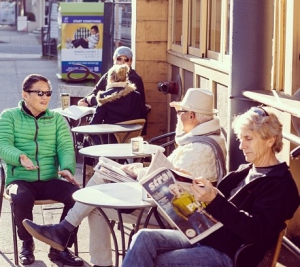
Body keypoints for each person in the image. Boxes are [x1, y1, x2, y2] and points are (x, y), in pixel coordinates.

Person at [22, 88, 227, 267]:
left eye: (181, 112)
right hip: (169, 207)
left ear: (191, 116)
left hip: (172, 215)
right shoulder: (206, 140)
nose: (178, 117)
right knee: (98, 196)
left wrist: (138, 172)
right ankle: (77, 241)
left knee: (100, 182)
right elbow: (174, 176)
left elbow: (168, 184)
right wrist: (138, 169)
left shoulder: (198, 148)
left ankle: (66, 231)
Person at [121, 106, 300, 267]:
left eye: (248, 139)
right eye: (240, 138)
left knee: (157, 261)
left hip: (229, 254)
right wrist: (188, 183)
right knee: (143, 238)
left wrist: (214, 200)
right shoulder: (246, 171)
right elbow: (221, 203)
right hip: (207, 236)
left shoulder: (279, 184)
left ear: (270, 140)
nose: (241, 145)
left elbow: (255, 231)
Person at [0, 74, 84, 266]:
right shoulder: (9, 116)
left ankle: (60, 246)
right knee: (20, 197)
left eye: (48, 93)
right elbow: (2, 144)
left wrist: (67, 168)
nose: (45, 97)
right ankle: (27, 243)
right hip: (20, 178)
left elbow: (65, 147)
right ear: (25, 95)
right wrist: (20, 157)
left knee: (79, 197)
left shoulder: (57, 119)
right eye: (40, 93)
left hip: (48, 178)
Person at [89, 64, 147, 144]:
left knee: (89, 137)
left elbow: (94, 123)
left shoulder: (104, 97)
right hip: (131, 140)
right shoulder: (136, 95)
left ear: (110, 79)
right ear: (126, 78)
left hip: (109, 141)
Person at [78, 46, 146, 108]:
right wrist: (84, 100)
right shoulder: (108, 75)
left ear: (130, 61)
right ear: (114, 60)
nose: (122, 62)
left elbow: (119, 101)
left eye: (126, 59)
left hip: (127, 118)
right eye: (119, 59)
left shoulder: (134, 79)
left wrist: (92, 100)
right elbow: (95, 92)